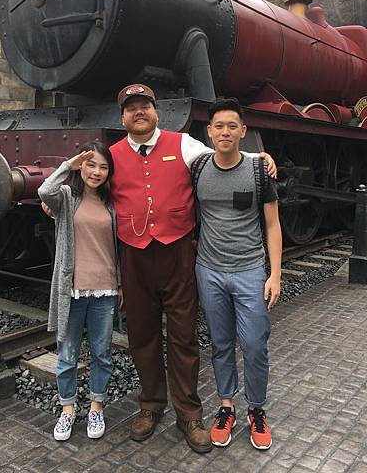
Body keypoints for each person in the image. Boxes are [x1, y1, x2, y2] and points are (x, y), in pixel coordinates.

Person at [109, 84, 276, 453]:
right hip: (135, 256)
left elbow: (224, 152)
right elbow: (88, 187)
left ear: (156, 112)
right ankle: (151, 405)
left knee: (183, 336)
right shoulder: (112, 155)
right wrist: (55, 200)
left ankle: (189, 414)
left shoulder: (184, 145)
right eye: (131, 108)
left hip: (178, 254)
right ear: (122, 117)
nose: (139, 112)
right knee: (142, 335)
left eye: (145, 106)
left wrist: (259, 158)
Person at [194, 98, 282, 450]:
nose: (225, 132)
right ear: (209, 131)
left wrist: (275, 275)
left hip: (249, 271)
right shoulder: (198, 167)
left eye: (232, 126)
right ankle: (227, 406)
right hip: (209, 270)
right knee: (220, 343)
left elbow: (273, 224)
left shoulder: (259, 170)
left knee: (254, 344)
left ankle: (256, 409)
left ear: (243, 131)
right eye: (219, 126)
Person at [38, 141, 122, 442]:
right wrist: (68, 165)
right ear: (81, 166)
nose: (96, 172)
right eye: (91, 165)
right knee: (67, 354)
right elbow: (44, 191)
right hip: (71, 291)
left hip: (105, 290)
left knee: (102, 353)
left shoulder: (111, 204)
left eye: (103, 167)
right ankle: (68, 409)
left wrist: (120, 284)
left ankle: (96, 406)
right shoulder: (65, 197)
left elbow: (116, 249)